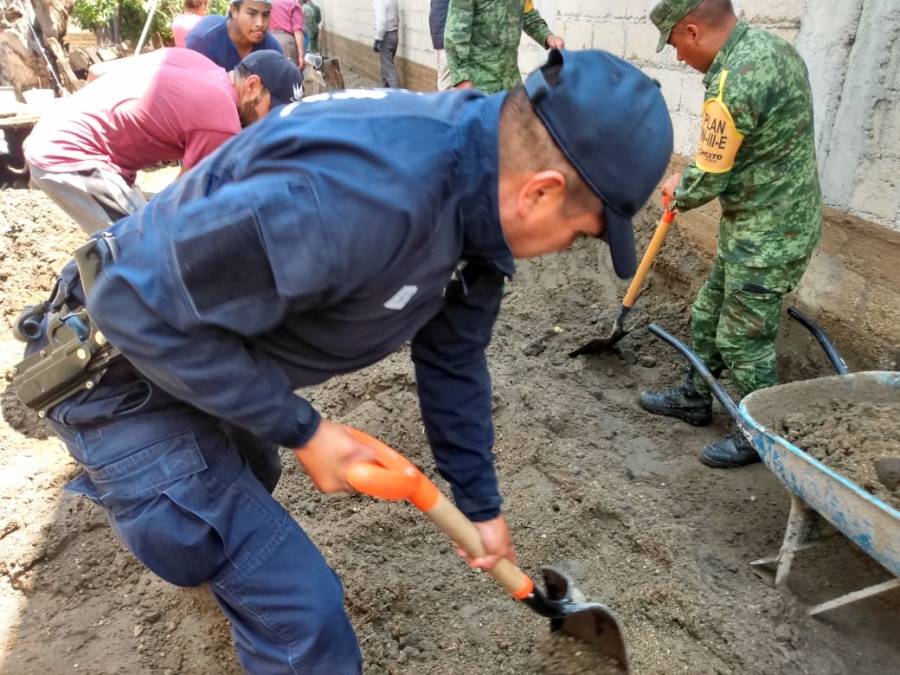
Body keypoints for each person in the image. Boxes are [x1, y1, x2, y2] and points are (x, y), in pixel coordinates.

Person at [17, 50, 672, 672]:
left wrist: (478, 502)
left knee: (253, 469)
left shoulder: (478, 185)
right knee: (303, 615)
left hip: (215, 347)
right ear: (540, 192)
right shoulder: (358, 199)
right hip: (120, 373)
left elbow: (453, 359)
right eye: (578, 234)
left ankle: (229, 543)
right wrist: (307, 429)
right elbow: (129, 303)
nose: (562, 249)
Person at [638, 0, 822, 468]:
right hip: (761, 222)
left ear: (693, 30)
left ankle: (761, 434)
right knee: (707, 311)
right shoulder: (772, 49)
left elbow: (708, 177)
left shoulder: (731, 82)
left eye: (676, 43)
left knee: (744, 339)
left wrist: (679, 186)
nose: (678, 56)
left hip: (767, 236)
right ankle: (694, 396)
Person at [24, 49, 303, 234]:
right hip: (72, 156)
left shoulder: (197, 62)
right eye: (273, 110)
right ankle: (58, 321)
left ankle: (59, 311)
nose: (270, 123)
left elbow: (97, 70)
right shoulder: (221, 121)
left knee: (125, 239)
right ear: (252, 85)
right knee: (145, 246)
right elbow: (180, 202)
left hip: (58, 131)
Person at [445, 0, 565, 93]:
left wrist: (548, 37)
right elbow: (455, 34)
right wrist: (463, 80)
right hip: (479, 85)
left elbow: (528, 16)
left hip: (511, 83)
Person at [186, 0, 284, 71]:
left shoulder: (273, 49)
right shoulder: (202, 40)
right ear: (234, 11)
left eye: (265, 15)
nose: (260, 23)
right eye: (252, 14)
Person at [270, 0, 305, 67]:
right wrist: (301, 55)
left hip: (269, 39)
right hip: (286, 42)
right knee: (290, 72)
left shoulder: (270, 3)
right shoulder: (293, 4)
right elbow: (297, 30)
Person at [373, 0, 400, 88]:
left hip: (386, 35)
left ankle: (397, 97)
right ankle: (387, 93)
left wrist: (377, 38)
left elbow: (382, 22)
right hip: (394, 34)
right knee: (386, 68)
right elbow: (397, 17)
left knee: (388, 71)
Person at [429, 0, 451, 90]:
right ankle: (445, 103)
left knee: (443, 78)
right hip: (446, 40)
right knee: (446, 81)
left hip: (439, 40)